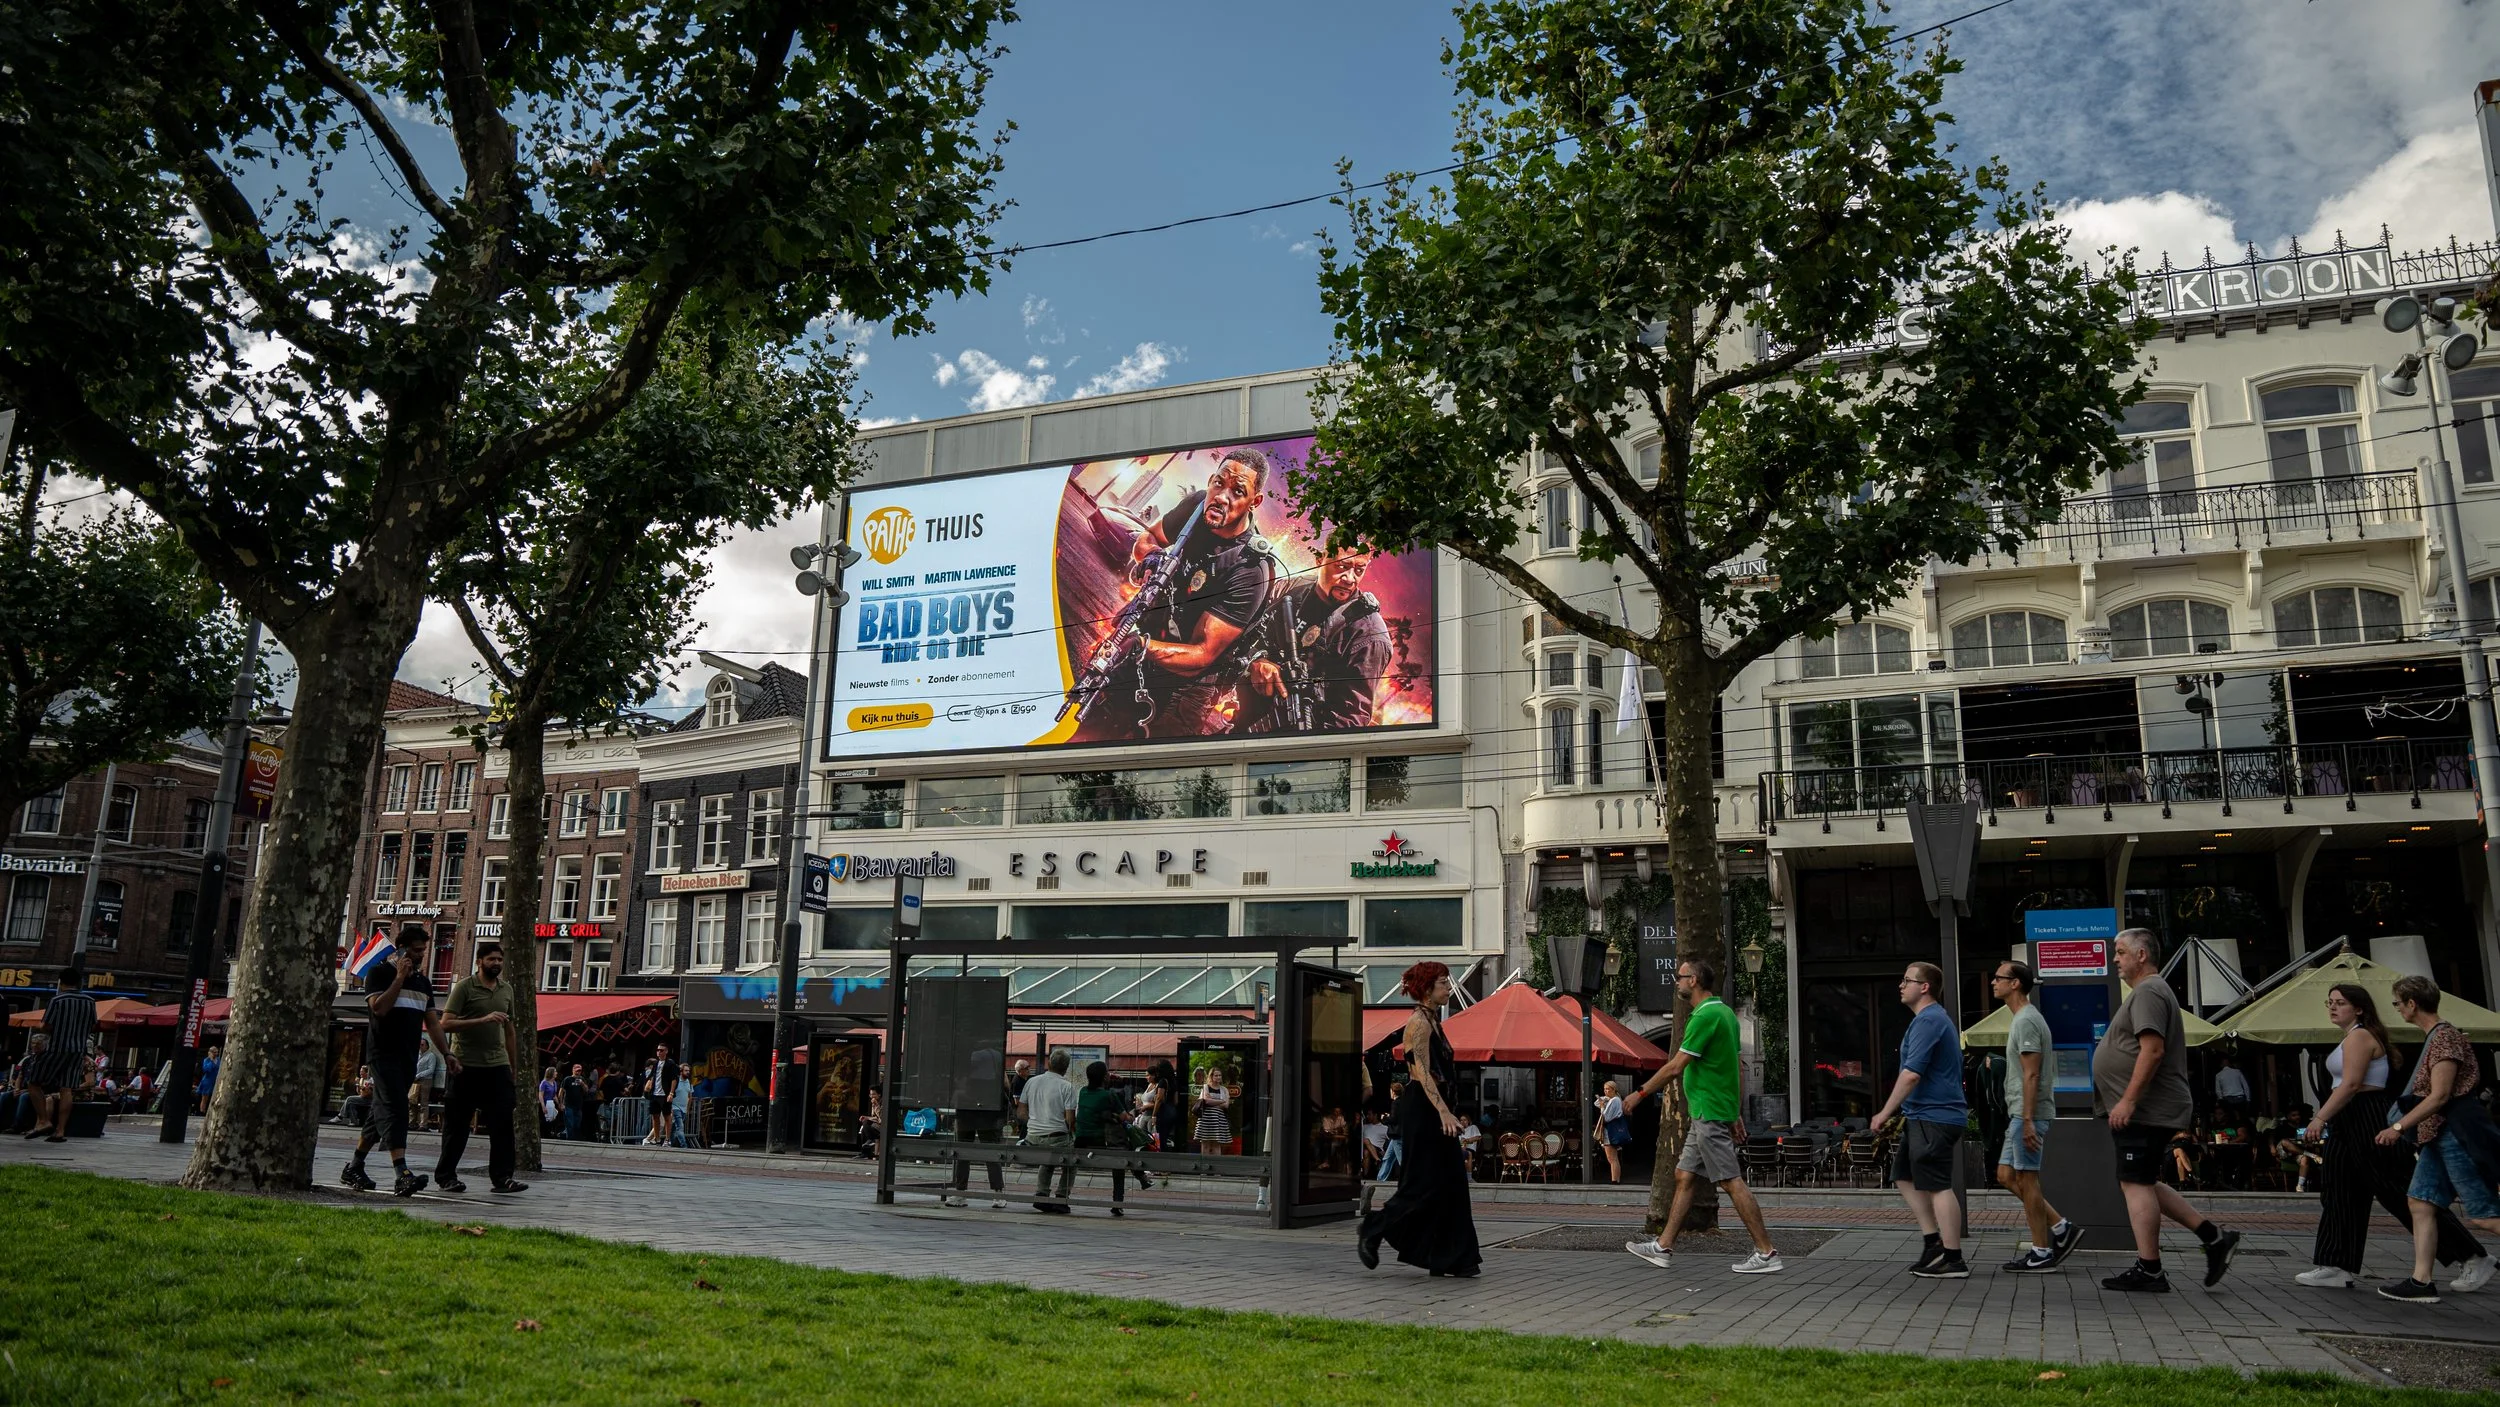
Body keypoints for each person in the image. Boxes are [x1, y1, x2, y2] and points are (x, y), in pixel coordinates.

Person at [2299, 982, 2489, 1291]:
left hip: (2367, 1114)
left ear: (2359, 1009)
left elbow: (2351, 1084)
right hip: (2348, 1117)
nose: (2333, 1007)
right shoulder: (2350, 1036)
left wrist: (2320, 1118)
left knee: (2395, 1189)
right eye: (2330, 1002)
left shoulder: (2361, 1035)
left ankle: (2471, 1255)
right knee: (2339, 1188)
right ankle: (2335, 1263)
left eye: (2340, 1002)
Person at [2095, 928, 2239, 1292]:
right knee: (2140, 1180)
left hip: (2146, 1108)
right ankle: (2213, 1237)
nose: (2115, 959)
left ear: (2142, 955)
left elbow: (2153, 1049)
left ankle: (2150, 1269)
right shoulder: (2149, 992)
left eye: (2121, 952)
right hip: (2148, 1107)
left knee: (2135, 1182)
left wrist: (2128, 1099)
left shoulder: (2148, 991)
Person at [1621, 958, 1782, 1275]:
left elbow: (1675, 1066)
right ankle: (1663, 1247)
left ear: (1693, 980)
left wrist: (1639, 1094)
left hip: (1708, 1111)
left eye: (1679, 977)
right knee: (1684, 1176)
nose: (1676, 982)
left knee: (1730, 1181)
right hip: (1709, 1111)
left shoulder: (1704, 1016)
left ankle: (1766, 1252)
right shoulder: (1726, 1014)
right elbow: (1736, 1067)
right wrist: (1735, 1112)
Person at [1115, 448, 1280, 739]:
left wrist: (1141, 647)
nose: (1222, 497)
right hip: (1151, 644)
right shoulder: (1197, 507)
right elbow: (1147, 538)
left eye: (1238, 491)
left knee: (1147, 755)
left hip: (1188, 687)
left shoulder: (1251, 568)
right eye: (1219, 483)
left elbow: (1202, 655)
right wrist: (1153, 557)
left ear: (1254, 502)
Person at [2375, 975, 2500, 1302]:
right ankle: (2421, 1282)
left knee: (2485, 1215)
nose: (2397, 1009)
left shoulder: (2444, 1038)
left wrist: (2398, 1127)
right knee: (2420, 1201)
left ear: (2411, 1004)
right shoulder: (2440, 1036)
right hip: (2439, 1135)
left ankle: (2422, 1281)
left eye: (2397, 1003)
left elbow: (2440, 1095)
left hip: (2454, 1133)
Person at [1356, 961, 1482, 1277]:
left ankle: (1450, 1257)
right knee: (1422, 1183)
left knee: (1451, 1182)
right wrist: (1443, 1111)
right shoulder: (1418, 1023)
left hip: (1435, 1110)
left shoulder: (1433, 1020)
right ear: (1427, 989)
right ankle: (1373, 1227)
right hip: (1424, 1111)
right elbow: (1422, 1072)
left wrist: (1446, 1108)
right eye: (1443, 983)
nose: (1448, 987)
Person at [1867, 961, 1971, 1279]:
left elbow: (1911, 1074)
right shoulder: (1928, 1020)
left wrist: (1884, 1112)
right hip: (1923, 1116)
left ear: (1924, 987)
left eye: (1907, 980)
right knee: (1903, 1175)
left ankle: (1953, 1258)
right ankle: (1933, 1243)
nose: (1901, 985)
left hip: (1934, 1116)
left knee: (1938, 1185)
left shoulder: (1929, 1020)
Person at [1236, 543, 1391, 734]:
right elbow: (1240, 637)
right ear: (1320, 559)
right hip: (1246, 722)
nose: (1350, 578)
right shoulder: (1290, 588)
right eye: (1342, 566)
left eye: (1359, 570)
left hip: (1300, 739)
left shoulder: (1368, 634)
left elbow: (1350, 720)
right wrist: (1256, 661)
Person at [1991, 960, 2083, 1272]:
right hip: (2020, 1112)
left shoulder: (2027, 1020)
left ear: (2015, 983)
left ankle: (2041, 1251)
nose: (1993, 982)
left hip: (2027, 1113)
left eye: (1999, 978)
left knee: (2028, 1180)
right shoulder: (2021, 1019)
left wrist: (2028, 1120)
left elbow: (2032, 1074)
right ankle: (2061, 1227)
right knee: (2005, 1176)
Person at [343, 932, 451, 1196]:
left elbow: (432, 1023)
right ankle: (401, 1173)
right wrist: (399, 978)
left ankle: (354, 1166)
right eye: (416, 950)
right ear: (400, 950)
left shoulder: (423, 983)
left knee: (379, 1111)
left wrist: (447, 1054)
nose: (421, 955)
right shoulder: (378, 974)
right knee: (397, 1108)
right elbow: (379, 1009)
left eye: (423, 950)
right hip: (382, 1054)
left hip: (407, 1057)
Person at [435, 943, 527, 1195]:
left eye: (499, 959)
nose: (496, 963)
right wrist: (483, 1019)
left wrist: (513, 1067)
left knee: (503, 1124)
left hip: (497, 1066)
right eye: (491, 959)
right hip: (465, 1066)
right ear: (479, 962)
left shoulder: (506, 990)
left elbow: (509, 1030)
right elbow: (445, 1024)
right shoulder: (464, 987)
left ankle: (503, 1177)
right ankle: (446, 1176)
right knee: (457, 1126)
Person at [23, 965, 98, 1143]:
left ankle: (43, 1121)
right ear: (79, 983)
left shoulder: (57, 1000)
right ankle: (60, 1130)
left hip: (56, 1048)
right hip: (77, 1051)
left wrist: (43, 1029)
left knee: (33, 1082)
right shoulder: (90, 1001)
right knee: (66, 1088)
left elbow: (46, 1025)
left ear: (61, 982)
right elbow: (93, 1025)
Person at [1073, 1061, 1137, 1215]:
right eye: (1107, 1073)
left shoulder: (1082, 1091)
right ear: (1104, 1077)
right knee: (1121, 1153)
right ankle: (1118, 1201)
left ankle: (1141, 1178)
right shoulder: (1109, 1095)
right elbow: (1125, 1118)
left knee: (1119, 1148)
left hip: (1081, 1142)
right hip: (1101, 1142)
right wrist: (1132, 1114)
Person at [1019, 1049, 1079, 1213]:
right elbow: (1070, 1120)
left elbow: (1021, 1112)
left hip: (1032, 1137)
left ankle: (1042, 1193)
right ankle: (1061, 1197)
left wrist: (1034, 1123)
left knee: (1048, 1158)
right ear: (1066, 1067)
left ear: (1049, 1063)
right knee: (1071, 1162)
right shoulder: (1067, 1087)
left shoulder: (1031, 1082)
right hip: (1057, 1137)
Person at [1594, 1080, 1630, 1185]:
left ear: (1613, 1089)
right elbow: (1596, 1103)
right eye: (1604, 1089)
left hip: (1610, 1131)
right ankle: (1616, 1179)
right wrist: (1605, 1099)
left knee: (1611, 1158)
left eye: (1608, 1089)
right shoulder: (1614, 1100)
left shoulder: (1614, 1101)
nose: (1606, 1091)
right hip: (1612, 1130)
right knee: (1614, 1158)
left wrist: (1602, 1107)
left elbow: (1606, 1117)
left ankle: (1615, 1180)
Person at [1193, 1065, 1234, 1155]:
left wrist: (1213, 1101)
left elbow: (1226, 1105)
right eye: (1216, 1075)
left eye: (1220, 1075)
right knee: (1205, 1144)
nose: (1218, 1077)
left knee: (1216, 1144)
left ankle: (1216, 1163)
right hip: (1206, 1119)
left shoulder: (1224, 1090)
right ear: (1211, 1076)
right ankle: (1204, 1162)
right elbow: (1207, 1101)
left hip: (1218, 1120)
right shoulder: (1206, 1087)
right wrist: (1221, 1101)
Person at [643, 1043, 678, 1147]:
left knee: (667, 1116)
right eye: (658, 1050)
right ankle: (656, 1138)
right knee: (655, 1116)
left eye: (661, 1050)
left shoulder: (670, 1064)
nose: (659, 1052)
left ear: (666, 1051)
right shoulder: (655, 1064)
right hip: (655, 1093)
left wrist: (671, 1093)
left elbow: (674, 1079)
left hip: (665, 1094)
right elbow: (652, 1077)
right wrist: (648, 1085)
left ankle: (667, 1139)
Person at [410, 1030, 443, 1134]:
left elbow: (431, 1069)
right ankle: (412, 1122)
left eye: (422, 1045)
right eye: (419, 1045)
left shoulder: (430, 1056)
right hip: (415, 1080)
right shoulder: (418, 1055)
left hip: (425, 1080)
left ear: (427, 1046)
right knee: (412, 1101)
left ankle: (423, 1124)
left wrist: (419, 1075)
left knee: (424, 1103)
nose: (420, 1046)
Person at [560, 1063, 594, 1141]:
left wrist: (582, 1084)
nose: (578, 1072)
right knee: (570, 1124)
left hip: (578, 1105)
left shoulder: (582, 1079)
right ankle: (569, 1139)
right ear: (573, 1070)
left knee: (577, 1124)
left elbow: (586, 1090)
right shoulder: (567, 1079)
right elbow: (561, 1091)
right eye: (577, 1071)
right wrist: (561, 1103)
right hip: (568, 1104)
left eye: (580, 1071)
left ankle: (573, 1139)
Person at [2213, 1055, 2253, 1120]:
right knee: (2242, 1118)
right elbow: (2245, 1086)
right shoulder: (2237, 1072)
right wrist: (2248, 1099)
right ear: (2229, 1064)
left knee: (2231, 1119)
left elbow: (2218, 1090)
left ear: (2221, 1065)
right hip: (2240, 1098)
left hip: (2227, 1100)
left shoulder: (2218, 1075)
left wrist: (2221, 1100)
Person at [1360, 1108, 1390, 1178]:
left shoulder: (1384, 1128)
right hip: (1364, 1148)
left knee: (1366, 1142)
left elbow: (1392, 1141)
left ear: (1375, 1115)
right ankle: (1377, 1161)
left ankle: (1377, 1160)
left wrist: (1386, 1152)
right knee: (1366, 1149)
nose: (1367, 1116)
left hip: (1378, 1150)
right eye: (1367, 1115)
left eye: (1369, 1114)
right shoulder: (1365, 1126)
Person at [193, 1044, 221, 1115]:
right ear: (210, 1052)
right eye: (214, 1052)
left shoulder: (218, 1060)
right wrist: (211, 1060)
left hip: (215, 1080)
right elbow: (206, 1070)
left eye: (217, 1052)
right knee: (205, 1098)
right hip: (208, 1081)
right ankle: (202, 1112)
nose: (216, 1054)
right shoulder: (206, 1060)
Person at [1457, 1114, 1484, 1182]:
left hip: (1470, 1149)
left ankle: (1469, 1178)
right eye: (1461, 1120)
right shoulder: (1458, 1130)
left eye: (1465, 1120)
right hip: (1460, 1148)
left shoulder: (1473, 1127)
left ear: (1468, 1121)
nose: (1462, 1122)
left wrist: (1467, 1140)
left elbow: (1478, 1137)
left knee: (1468, 1153)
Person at [857, 1089, 883, 1160]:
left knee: (866, 1123)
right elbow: (875, 1117)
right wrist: (866, 1117)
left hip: (883, 1127)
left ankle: (870, 1141)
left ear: (879, 1094)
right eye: (870, 1094)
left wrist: (877, 1105)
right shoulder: (873, 1103)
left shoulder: (882, 1103)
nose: (872, 1096)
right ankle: (864, 1152)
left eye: (874, 1094)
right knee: (863, 1129)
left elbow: (881, 1118)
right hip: (876, 1125)